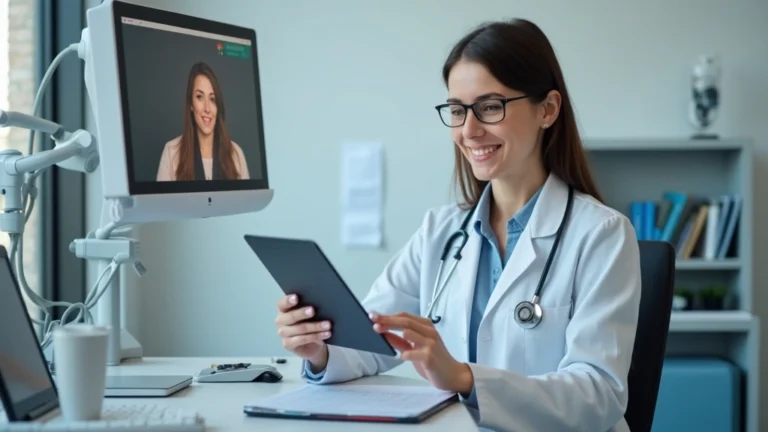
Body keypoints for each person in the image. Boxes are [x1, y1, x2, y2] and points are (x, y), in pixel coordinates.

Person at [274, 18, 641, 432]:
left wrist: (464, 378)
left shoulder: (602, 234)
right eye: (456, 109)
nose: (468, 131)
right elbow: (374, 338)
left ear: (548, 109)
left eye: (489, 107)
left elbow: (600, 395)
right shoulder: (442, 231)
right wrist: (319, 348)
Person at [156, 61, 249, 181]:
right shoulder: (171, 152)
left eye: (212, 99)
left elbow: (248, 200)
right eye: (199, 97)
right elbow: (161, 200)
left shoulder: (236, 154)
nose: (207, 109)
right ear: (191, 104)